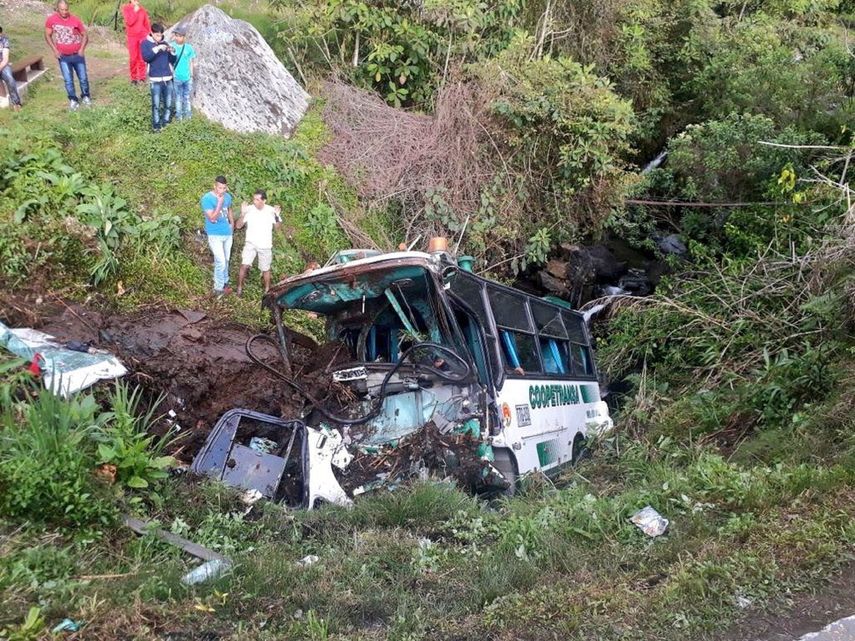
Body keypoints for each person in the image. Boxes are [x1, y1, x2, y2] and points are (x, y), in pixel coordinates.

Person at [44, 0, 90, 111]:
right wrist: (54, 50)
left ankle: (86, 96)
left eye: (66, 9)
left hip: (77, 55)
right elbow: (47, 35)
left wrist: (82, 49)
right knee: (68, 79)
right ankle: (73, 100)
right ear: (57, 9)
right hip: (63, 56)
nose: (64, 12)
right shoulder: (51, 20)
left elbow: (85, 35)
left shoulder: (75, 20)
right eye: (62, 10)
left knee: (83, 78)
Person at [235, 190, 282, 296]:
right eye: (254, 199)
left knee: (266, 269)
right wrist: (242, 214)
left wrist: (277, 216)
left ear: (264, 201)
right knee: (244, 265)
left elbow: (278, 229)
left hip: (265, 245)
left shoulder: (271, 211)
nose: (254, 201)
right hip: (250, 243)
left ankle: (267, 291)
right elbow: (238, 226)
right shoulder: (249, 210)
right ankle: (239, 288)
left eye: (257, 199)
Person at [200, 176, 234, 297]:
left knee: (226, 260)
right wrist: (219, 203)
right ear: (215, 186)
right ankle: (218, 288)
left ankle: (225, 283)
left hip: (227, 233)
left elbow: (229, 210)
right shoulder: (207, 199)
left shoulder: (228, 197)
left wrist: (232, 224)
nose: (222, 190)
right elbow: (212, 217)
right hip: (215, 234)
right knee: (220, 261)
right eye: (220, 187)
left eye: (224, 188)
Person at [140, 23, 176, 132]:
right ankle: (156, 126)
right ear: (151, 33)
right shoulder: (145, 43)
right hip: (155, 79)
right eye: (157, 35)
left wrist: (172, 52)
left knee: (168, 103)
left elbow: (172, 60)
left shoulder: (165, 43)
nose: (159, 37)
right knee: (155, 105)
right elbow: (146, 58)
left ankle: (166, 122)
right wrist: (157, 49)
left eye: (160, 35)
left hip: (167, 78)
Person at [168, 25, 196, 120]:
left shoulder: (189, 48)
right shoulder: (172, 46)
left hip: (187, 77)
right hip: (176, 77)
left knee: (186, 98)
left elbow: (191, 62)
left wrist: (192, 75)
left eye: (180, 36)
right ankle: (179, 117)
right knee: (178, 99)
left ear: (184, 37)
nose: (178, 38)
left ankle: (188, 117)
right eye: (176, 35)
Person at [121, 0, 150, 84]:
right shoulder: (126, 9)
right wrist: (135, 11)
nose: (136, 1)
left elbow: (146, 23)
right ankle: (134, 78)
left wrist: (149, 34)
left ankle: (142, 77)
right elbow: (129, 22)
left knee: (142, 57)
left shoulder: (142, 9)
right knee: (133, 58)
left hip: (142, 35)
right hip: (132, 36)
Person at [0, 26, 22, 111]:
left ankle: (16, 103)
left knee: (10, 78)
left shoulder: (4, 40)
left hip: (3, 64)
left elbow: (5, 58)